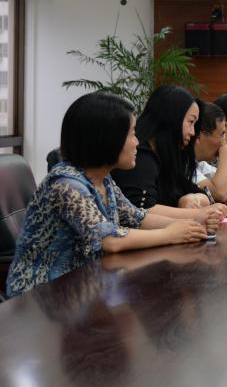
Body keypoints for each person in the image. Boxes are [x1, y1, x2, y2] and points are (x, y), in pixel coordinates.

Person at [5, 92, 211, 298]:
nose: (137, 142)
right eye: (132, 134)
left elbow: (138, 218)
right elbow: (109, 239)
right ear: (108, 138)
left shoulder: (102, 179)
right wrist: (170, 234)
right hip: (41, 295)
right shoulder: (66, 185)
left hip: (83, 285)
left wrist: (193, 224)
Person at [112, 85, 227, 224]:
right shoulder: (139, 156)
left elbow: (205, 196)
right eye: (191, 122)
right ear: (171, 119)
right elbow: (141, 211)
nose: (193, 132)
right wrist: (198, 214)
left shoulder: (167, 156)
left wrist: (193, 199)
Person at [192, 101, 227, 203]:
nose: (223, 142)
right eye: (221, 135)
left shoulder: (200, 164)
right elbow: (219, 194)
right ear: (199, 136)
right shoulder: (183, 165)